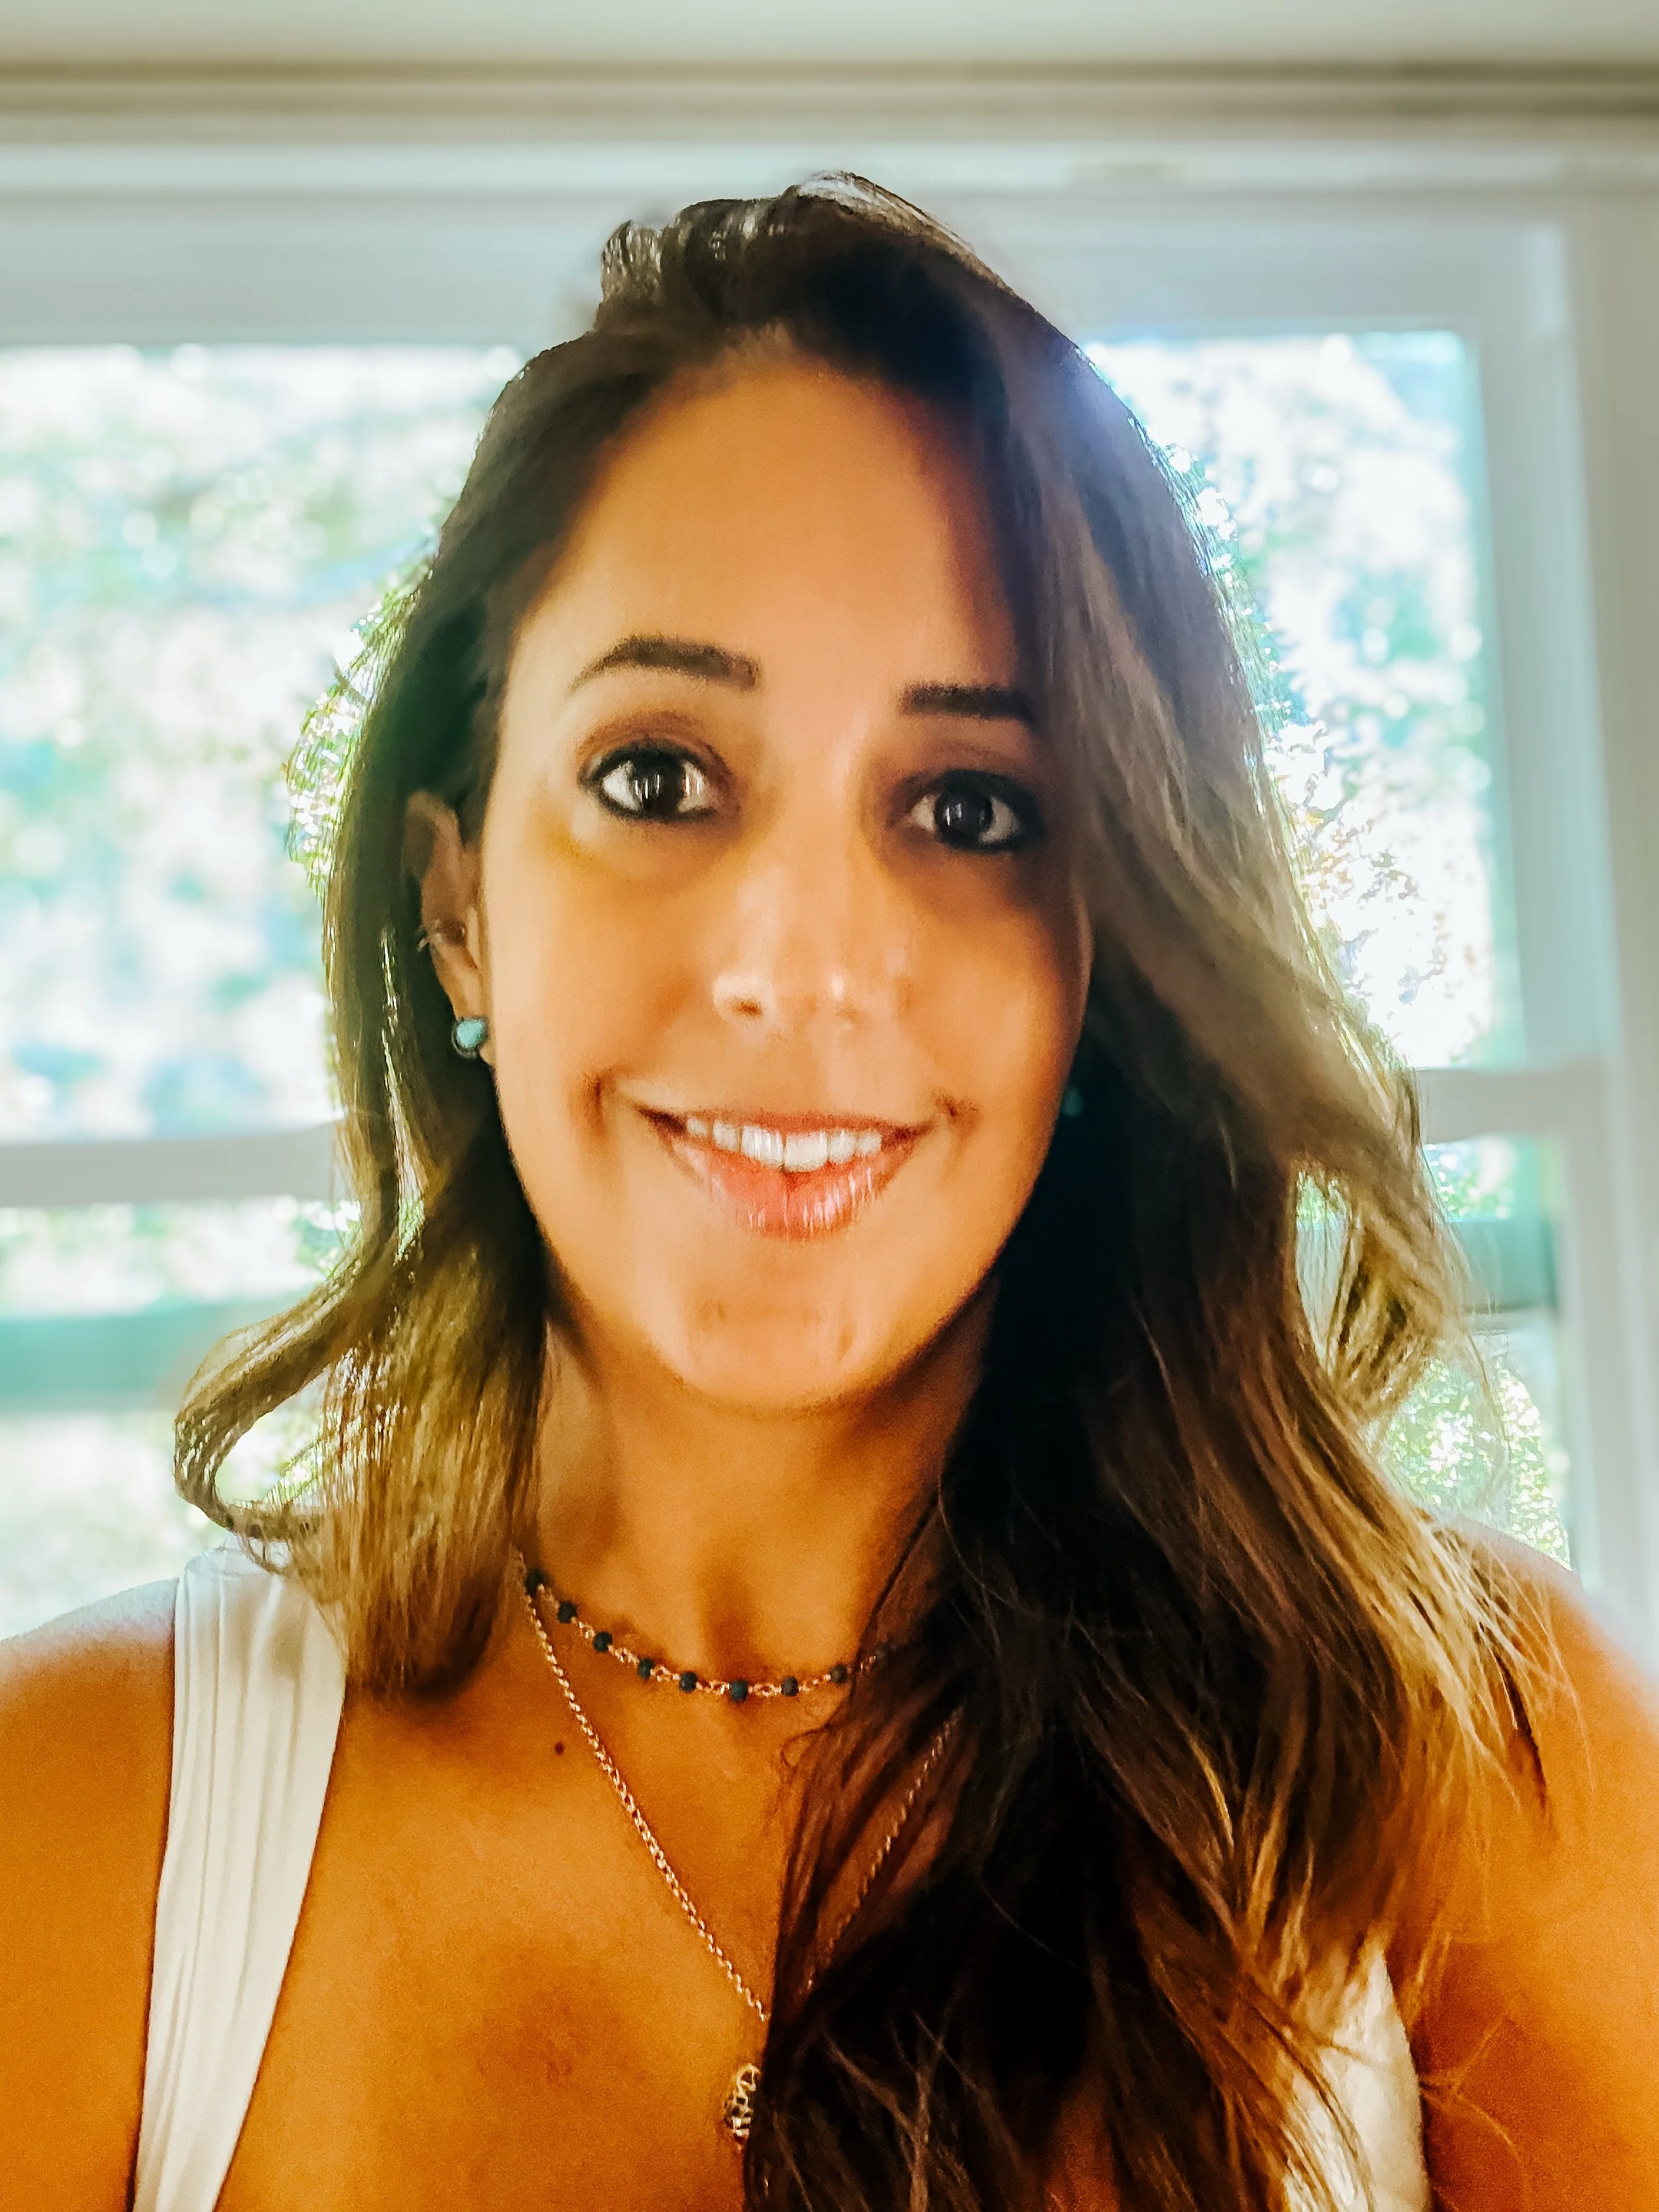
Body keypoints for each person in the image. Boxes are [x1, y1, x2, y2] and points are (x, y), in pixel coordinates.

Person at [2, 178, 1656, 2212]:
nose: (794, 959)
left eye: (968, 808)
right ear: (454, 906)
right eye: (655, 777)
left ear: (1109, 954)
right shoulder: (80, 1829)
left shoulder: (1472, 1768)